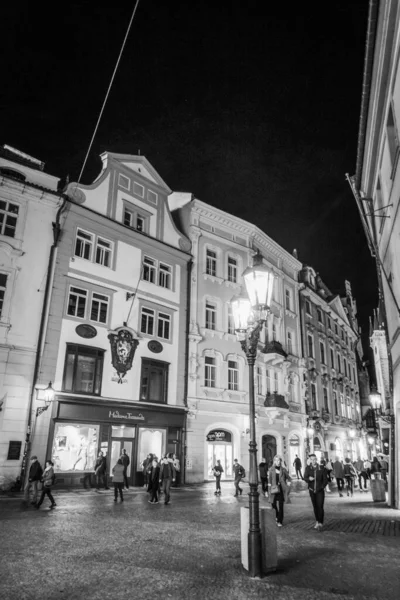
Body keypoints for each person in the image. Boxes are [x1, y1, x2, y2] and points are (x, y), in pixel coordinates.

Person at [304, 453, 329, 531]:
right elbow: (305, 477)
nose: (313, 461)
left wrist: (321, 487)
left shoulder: (322, 468)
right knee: (315, 507)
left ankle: (320, 522)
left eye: (314, 459)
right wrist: (309, 479)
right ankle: (317, 521)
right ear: (310, 460)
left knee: (320, 506)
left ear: (316, 459)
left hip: (320, 491)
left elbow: (325, 480)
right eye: (312, 459)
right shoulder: (308, 468)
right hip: (312, 490)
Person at [268, 455, 291, 527]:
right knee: (273, 504)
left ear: (280, 461)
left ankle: (280, 520)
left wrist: (288, 482)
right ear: (274, 461)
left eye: (279, 460)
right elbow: (269, 480)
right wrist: (269, 490)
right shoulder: (271, 469)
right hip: (274, 489)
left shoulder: (283, 470)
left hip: (281, 489)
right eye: (276, 460)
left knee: (281, 506)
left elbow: (289, 478)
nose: (277, 462)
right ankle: (277, 515)